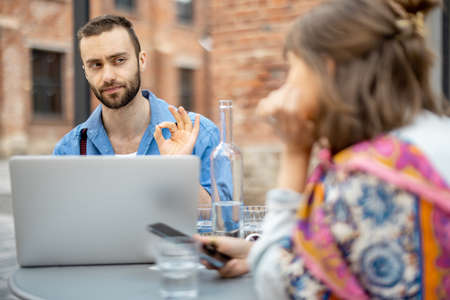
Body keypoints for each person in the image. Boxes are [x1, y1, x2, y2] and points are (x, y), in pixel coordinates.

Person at [196, 0, 450, 299]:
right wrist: (253, 250)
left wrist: (295, 152)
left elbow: (279, 286)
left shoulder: (365, 176)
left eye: (293, 68)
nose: (287, 84)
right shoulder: (430, 138)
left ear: (326, 70)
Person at [54, 15, 219, 206]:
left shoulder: (201, 135)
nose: (108, 76)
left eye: (119, 60)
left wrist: (179, 170)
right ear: (85, 71)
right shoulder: (69, 149)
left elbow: (224, 224)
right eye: (96, 65)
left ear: (141, 61)